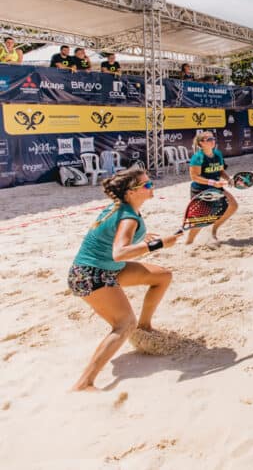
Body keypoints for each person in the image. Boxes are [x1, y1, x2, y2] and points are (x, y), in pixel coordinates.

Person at [67, 165, 180, 391]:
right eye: (146, 184)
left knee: (162, 276)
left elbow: (112, 235)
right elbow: (119, 252)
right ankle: (84, 383)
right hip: (90, 275)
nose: (151, 186)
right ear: (131, 192)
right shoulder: (128, 217)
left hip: (104, 268)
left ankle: (145, 327)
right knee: (124, 324)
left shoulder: (123, 207)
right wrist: (157, 244)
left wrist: (142, 236)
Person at [186, 131, 237, 243]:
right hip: (200, 189)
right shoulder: (197, 157)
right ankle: (189, 242)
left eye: (213, 138)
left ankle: (213, 231)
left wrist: (228, 179)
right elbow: (194, 177)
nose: (212, 141)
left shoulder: (217, 154)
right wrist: (212, 183)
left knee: (233, 206)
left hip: (216, 187)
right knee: (200, 221)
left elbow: (220, 170)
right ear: (201, 143)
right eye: (209, 139)